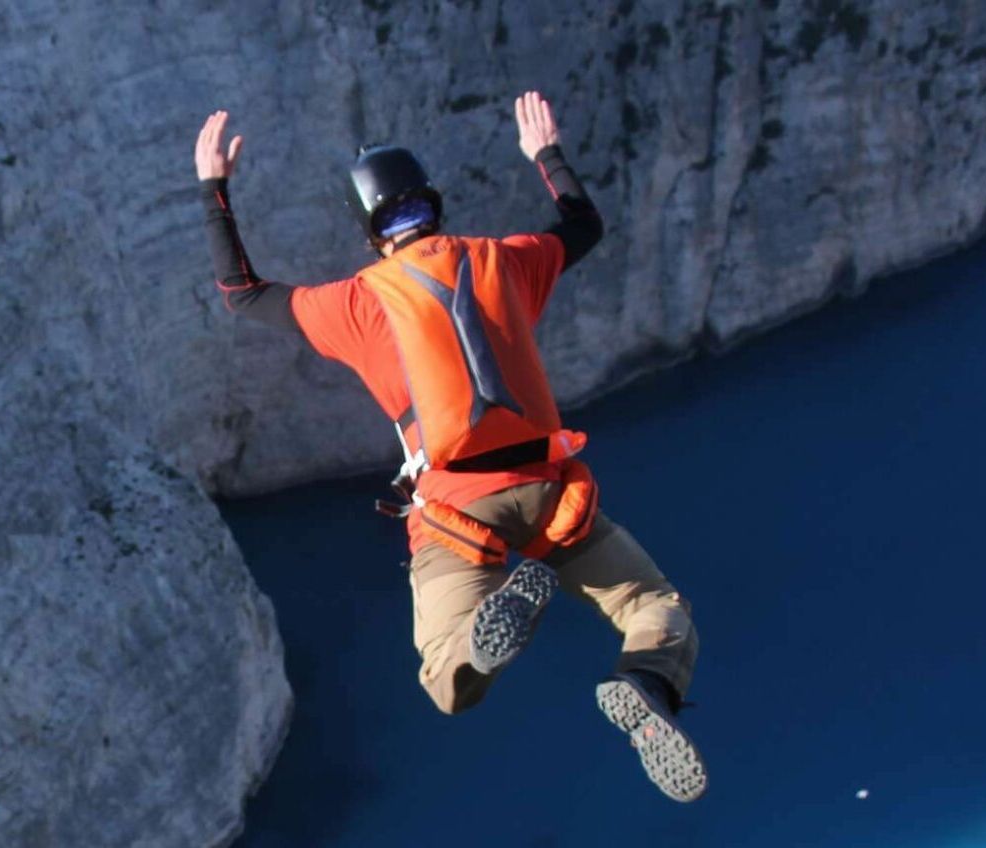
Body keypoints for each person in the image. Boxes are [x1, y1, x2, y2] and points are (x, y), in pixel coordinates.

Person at [193, 93, 704, 802]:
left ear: (370, 231)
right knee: (654, 605)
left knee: (446, 683)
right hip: (552, 492)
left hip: (457, 512)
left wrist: (213, 186)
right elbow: (583, 224)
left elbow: (240, 292)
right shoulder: (508, 261)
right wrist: (545, 154)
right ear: (432, 203)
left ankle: (477, 643)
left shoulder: (356, 301)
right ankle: (644, 685)